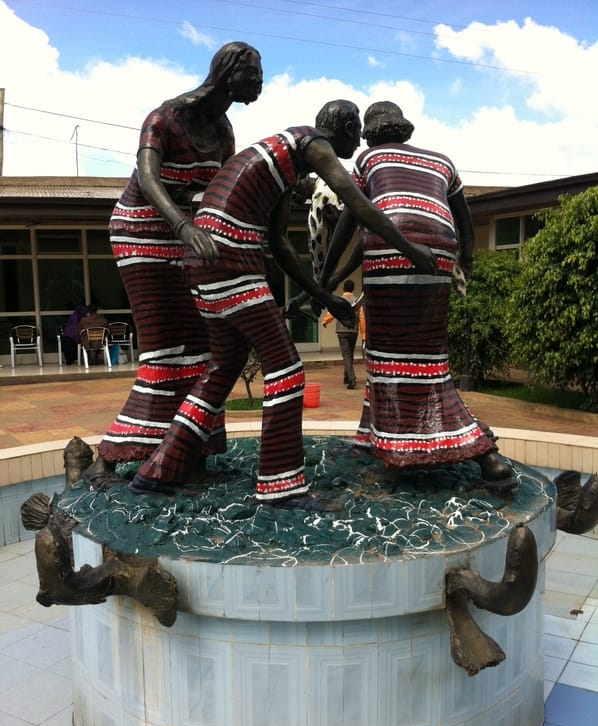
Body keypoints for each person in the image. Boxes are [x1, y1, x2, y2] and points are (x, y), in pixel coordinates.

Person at [130, 99, 438, 507]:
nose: (359, 141)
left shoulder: (284, 163)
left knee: (222, 369)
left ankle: (159, 469)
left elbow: (280, 246)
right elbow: (358, 204)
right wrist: (411, 249)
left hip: (207, 260)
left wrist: (325, 296)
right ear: (345, 127)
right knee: (287, 370)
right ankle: (280, 486)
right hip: (227, 256)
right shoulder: (312, 144)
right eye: (356, 132)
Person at [86, 42, 263, 485]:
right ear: (227, 73)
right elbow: (147, 178)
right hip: (141, 230)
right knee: (164, 349)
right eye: (253, 71)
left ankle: (190, 451)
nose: (260, 80)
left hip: (186, 233)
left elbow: (220, 190)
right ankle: (111, 455)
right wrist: (184, 228)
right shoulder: (165, 118)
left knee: (202, 348)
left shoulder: (223, 131)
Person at [319, 100, 514, 486]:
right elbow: (463, 216)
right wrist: (467, 261)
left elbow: (353, 219)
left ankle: (473, 449)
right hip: (439, 252)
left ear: (370, 131)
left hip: (388, 253)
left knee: (391, 354)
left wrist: (325, 275)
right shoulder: (442, 160)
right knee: (428, 353)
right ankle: (372, 437)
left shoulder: (368, 160)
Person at [322, 279, 365, 389]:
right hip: (353, 330)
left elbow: (332, 312)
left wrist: (325, 321)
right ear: (353, 289)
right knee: (349, 354)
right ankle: (346, 377)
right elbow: (362, 317)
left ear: (343, 289)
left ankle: (352, 379)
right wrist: (363, 333)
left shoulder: (339, 300)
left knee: (346, 354)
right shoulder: (357, 301)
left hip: (341, 330)